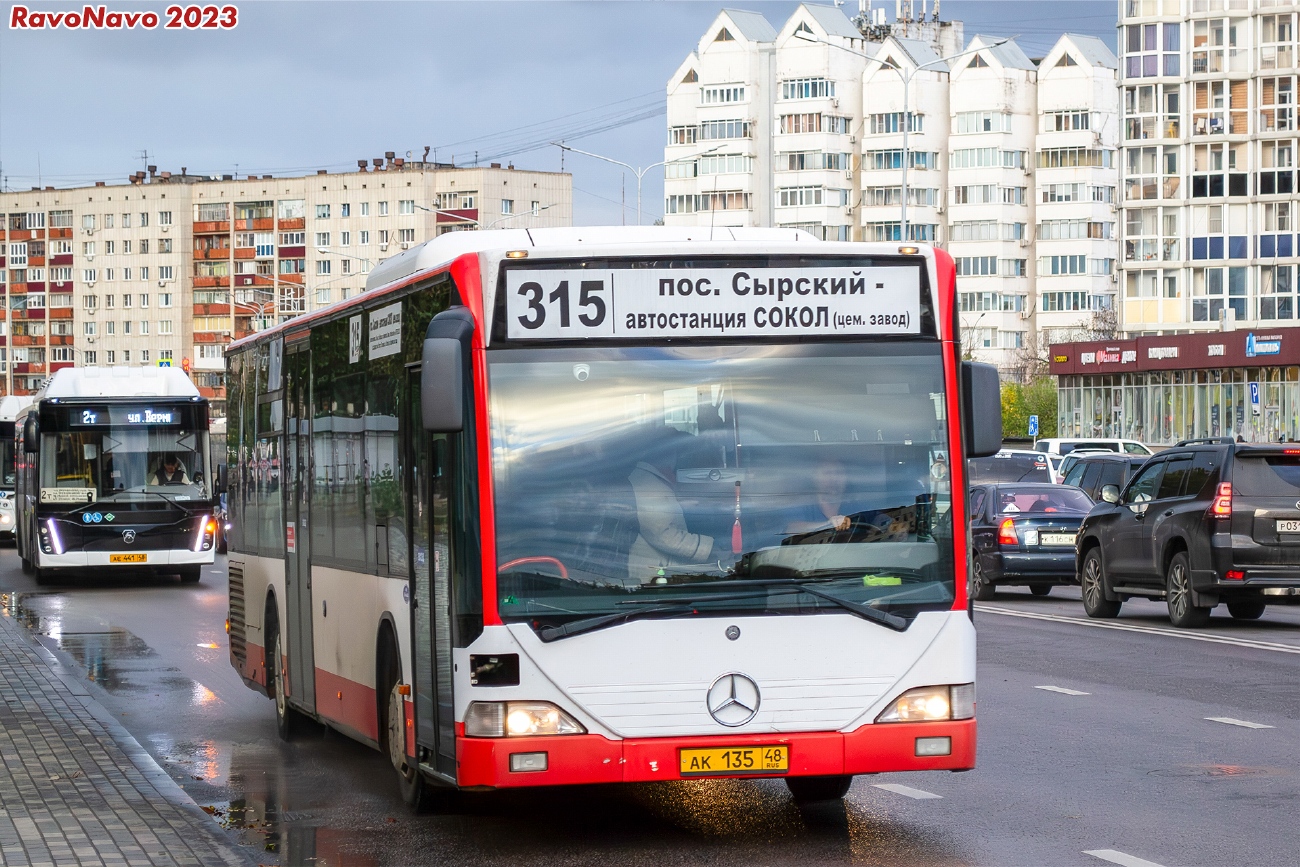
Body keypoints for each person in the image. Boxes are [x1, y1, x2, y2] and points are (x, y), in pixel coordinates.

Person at [627, 429, 714, 581]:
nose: (680, 458)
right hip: (651, 574)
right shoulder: (648, 485)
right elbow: (662, 534)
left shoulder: (654, 480)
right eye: (678, 452)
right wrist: (708, 549)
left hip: (659, 569)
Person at [786, 459, 853, 534]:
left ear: (846, 478)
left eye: (838, 473)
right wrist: (829, 525)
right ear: (815, 478)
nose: (833, 478)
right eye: (827, 473)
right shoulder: (803, 504)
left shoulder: (858, 505)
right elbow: (792, 529)